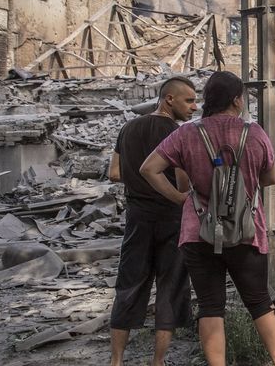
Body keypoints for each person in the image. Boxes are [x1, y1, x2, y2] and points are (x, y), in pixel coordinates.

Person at [140, 71, 275, 366]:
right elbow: (269, 178)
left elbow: (148, 169)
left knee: (210, 306)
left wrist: (179, 198)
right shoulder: (254, 132)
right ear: (236, 100)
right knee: (259, 302)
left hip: (199, 232)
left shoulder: (186, 133)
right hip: (246, 231)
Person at [108, 77, 198, 366]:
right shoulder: (178, 133)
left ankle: (116, 361)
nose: (194, 108)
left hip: (137, 219)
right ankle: (158, 362)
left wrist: (139, 179)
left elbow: (113, 173)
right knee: (170, 289)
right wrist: (180, 196)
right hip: (171, 220)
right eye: (189, 101)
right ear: (168, 99)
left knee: (129, 287)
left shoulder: (128, 128)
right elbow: (184, 182)